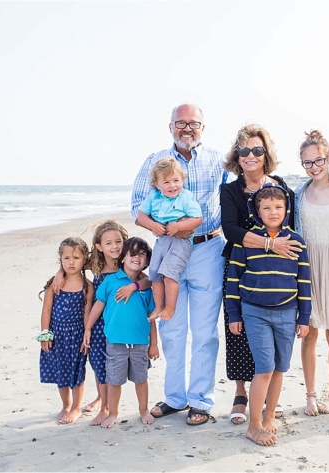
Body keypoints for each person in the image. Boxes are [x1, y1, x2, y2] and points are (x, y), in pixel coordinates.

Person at [133, 104, 226, 427]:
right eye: (181, 123)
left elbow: (239, 193)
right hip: (169, 247)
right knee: (172, 328)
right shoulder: (155, 162)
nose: (187, 128)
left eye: (194, 123)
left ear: (203, 126)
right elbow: (137, 206)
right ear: (170, 126)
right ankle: (175, 398)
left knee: (204, 331)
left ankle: (201, 401)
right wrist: (162, 228)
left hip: (206, 249)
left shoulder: (218, 160)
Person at [220, 123, 298, 425]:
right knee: (236, 328)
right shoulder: (230, 190)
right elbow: (231, 231)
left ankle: (267, 397)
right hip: (239, 267)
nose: (250, 155)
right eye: (243, 151)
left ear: (266, 154)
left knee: (272, 336)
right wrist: (269, 243)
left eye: (256, 150)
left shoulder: (280, 187)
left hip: (277, 270)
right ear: (237, 157)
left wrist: (284, 252)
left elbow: (291, 226)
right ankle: (241, 392)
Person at [224, 185, 312, 446]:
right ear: (257, 212)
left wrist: (304, 317)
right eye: (266, 208)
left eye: (278, 207)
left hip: (287, 313)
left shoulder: (296, 242)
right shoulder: (248, 241)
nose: (273, 212)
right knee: (264, 368)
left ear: (286, 210)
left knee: (280, 368)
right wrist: (234, 315)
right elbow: (233, 280)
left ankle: (270, 414)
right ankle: (254, 425)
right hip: (255, 313)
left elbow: (304, 281)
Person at [294, 130, 329, 417]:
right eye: (307, 162)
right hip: (307, 267)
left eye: (319, 160)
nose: (314, 167)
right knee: (309, 333)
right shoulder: (297, 195)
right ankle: (311, 395)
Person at [82, 237, 159, 428]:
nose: (137, 258)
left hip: (140, 343)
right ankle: (113, 412)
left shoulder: (146, 286)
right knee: (114, 381)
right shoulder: (110, 281)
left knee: (141, 379)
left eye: (142, 255)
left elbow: (151, 317)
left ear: (147, 261)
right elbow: (98, 306)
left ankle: (143, 409)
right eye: (132, 253)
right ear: (123, 258)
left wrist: (154, 344)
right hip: (115, 342)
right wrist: (88, 328)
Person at [135, 158, 203, 322]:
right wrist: (152, 225)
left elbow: (197, 219)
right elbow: (140, 216)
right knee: (154, 273)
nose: (172, 185)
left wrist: (179, 227)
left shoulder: (186, 197)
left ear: (182, 180)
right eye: (166, 182)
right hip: (162, 241)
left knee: (169, 274)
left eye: (176, 180)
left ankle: (170, 307)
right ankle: (159, 305)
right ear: (156, 184)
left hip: (181, 242)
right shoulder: (153, 196)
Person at [38, 237, 93, 424]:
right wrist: (45, 334)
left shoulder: (87, 286)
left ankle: (77, 407)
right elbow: (46, 309)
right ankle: (66, 404)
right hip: (57, 334)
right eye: (67, 258)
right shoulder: (55, 284)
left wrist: (87, 334)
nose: (71, 262)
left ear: (84, 259)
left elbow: (87, 312)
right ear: (60, 260)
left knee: (78, 371)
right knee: (61, 372)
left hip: (77, 335)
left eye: (76, 258)